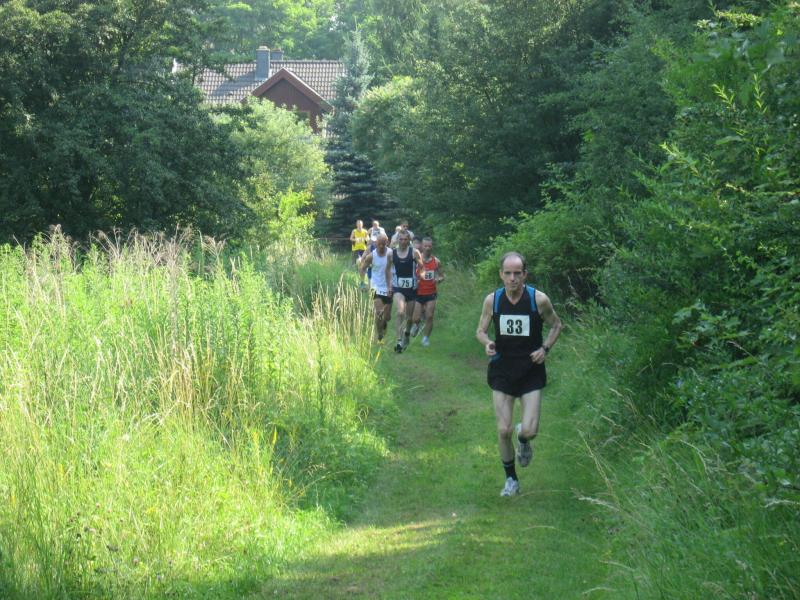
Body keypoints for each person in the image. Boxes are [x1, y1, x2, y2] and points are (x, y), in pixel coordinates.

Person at [475, 252, 562, 497]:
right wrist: (487, 343)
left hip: (530, 370)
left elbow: (557, 325)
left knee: (530, 431)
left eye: (517, 273)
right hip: (502, 369)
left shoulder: (538, 299)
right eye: (508, 273)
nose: (512, 278)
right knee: (503, 430)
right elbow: (480, 331)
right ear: (501, 274)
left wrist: (545, 349)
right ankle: (511, 480)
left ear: (525, 275)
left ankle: (523, 440)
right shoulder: (493, 300)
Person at [391, 230, 425, 353]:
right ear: (397, 240)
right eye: (401, 239)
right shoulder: (392, 253)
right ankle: (399, 341)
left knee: (409, 318)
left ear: (409, 240)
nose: (403, 242)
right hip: (398, 287)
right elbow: (387, 269)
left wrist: (422, 276)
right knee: (400, 312)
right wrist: (389, 285)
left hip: (412, 288)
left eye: (405, 239)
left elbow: (422, 267)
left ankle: (406, 335)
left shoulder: (414, 252)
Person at [410, 237, 444, 347]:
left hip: (431, 293)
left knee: (429, 316)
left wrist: (438, 279)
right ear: (422, 246)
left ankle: (425, 338)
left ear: (432, 247)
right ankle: (416, 325)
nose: (428, 248)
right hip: (418, 293)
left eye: (429, 246)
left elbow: (442, 276)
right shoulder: (416, 259)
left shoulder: (436, 261)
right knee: (416, 318)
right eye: (425, 246)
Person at [359, 234, 394, 342]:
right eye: (379, 244)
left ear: (387, 243)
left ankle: (384, 324)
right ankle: (379, 335)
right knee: (379, 312)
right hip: (375, 286)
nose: (381, 246)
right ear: (376, 243)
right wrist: (363, 282)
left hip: (388, 286)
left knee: (387, 317)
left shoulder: (391, 254)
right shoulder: (371, 256)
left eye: (383, 244)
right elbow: (362, 268)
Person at [350, 220, 369, 287]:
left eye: (360, 224)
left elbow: (368, 239)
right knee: (358, 262)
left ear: (362, 225)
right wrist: (356, 239)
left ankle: (363, 279)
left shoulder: (365, 231)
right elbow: (351, 238)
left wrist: (365, 239)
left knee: (363, 263)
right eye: (358, 224)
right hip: (356, 249)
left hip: (364, 249)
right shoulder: (354, 231)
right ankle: (361, 277)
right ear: (356, 225)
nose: (359, 225)